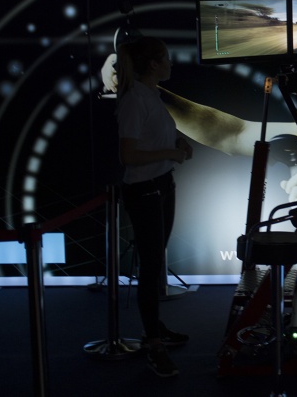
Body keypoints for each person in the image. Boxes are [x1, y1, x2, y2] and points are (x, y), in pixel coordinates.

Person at [115, 36, 194, 378]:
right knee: (150, 269)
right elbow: (129, 155)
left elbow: (150, 139)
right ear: (153, 64)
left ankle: (155, 328)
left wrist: (176, 142)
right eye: (166, 58)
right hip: (145, 190)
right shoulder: (135, 100)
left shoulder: (150, 95)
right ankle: (153, 344)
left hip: (162, 185)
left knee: (155, 263)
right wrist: (171, 152)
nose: (171, 63)